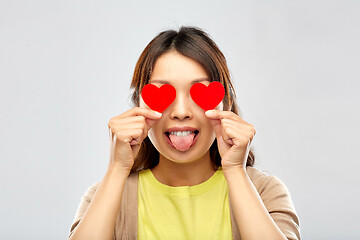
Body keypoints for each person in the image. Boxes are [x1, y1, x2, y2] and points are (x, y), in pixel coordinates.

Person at [68, 26, 301, 240]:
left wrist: (235, 171)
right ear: (139, 106)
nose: (180, 112)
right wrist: (117, 169)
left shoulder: (264, 191)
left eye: (198, 92)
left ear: (226, 104)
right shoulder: (106, 194)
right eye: (162, 93)